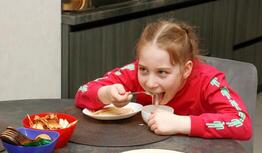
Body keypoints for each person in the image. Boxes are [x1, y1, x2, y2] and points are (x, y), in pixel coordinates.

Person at [75, 19, 252, 140]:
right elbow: (82, 93)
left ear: (186, 69)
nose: (150, 83)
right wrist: (106, 94)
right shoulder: (134, 71)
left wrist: (182, 123)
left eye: (162, 73)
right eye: (143, 69)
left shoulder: (208, 81)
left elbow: (241, 123)